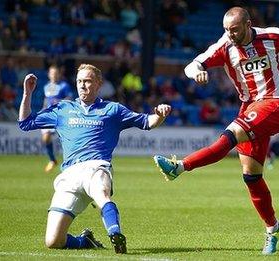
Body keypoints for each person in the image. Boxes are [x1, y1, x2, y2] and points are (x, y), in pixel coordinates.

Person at [153, 7, 279, 255]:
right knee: (251, 176)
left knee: (229, 136)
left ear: (248, 24)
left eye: (234, 29)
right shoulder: (225, 46)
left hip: (276, 103)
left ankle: (179, 167)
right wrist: (197, 72)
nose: (230, 34)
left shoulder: (272, 36)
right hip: (250, 107)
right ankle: (273, 228)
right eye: (226, 30)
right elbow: (193, 64)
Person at [18, 64, 171, 253]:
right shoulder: (63, 109)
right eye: (79, 81)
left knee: (101, 194)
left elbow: (148, 122)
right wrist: (27, 93)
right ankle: (86, 241)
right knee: (53, 241)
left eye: (87, 81)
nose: (82, 85)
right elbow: (25, 123)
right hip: (70, 175)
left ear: (98, 84)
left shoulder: (113, 110)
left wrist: (160, 114)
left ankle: (116, 234)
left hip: (97, 167)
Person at [40, 65, 73, 172]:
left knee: (65, 140)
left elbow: (69, 98)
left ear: (58, 74)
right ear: (49, 75)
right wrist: (43, 109)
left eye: (55, 73)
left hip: (61, 116)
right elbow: (46, 100)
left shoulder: (64, 86)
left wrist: (59, 101)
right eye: (52, 73)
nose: (53, 75)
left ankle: (70, 162)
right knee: (46, 138)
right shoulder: (46, 87)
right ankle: (52, 160)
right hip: (49, 115)